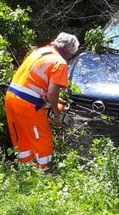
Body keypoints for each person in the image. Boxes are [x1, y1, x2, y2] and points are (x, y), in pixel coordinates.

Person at [5, 32, 80, 170]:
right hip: (28, 104)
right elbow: (52, 91)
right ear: (69, 51)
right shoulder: (60, 62)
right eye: (71, 54)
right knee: (43, 141)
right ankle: (43, 174)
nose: (70, 57)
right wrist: (57, 112)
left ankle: (25, 172)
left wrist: (52, 100)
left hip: (11, 98)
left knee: (22, 141)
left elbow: (35, 81)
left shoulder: (40, 51)